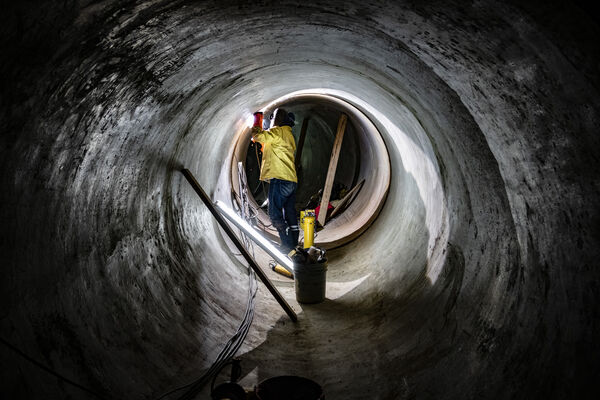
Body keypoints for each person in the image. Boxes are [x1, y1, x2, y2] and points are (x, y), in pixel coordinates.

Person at [252, 108, 299, 253]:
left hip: (279, 179)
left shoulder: (278, 132)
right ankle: (293, 244)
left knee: (274, 214)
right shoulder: (289, 134)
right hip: (291, 180)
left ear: (277, 119)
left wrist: (257, 120)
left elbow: (258, 136)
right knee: (290, 213)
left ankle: (286, 246)